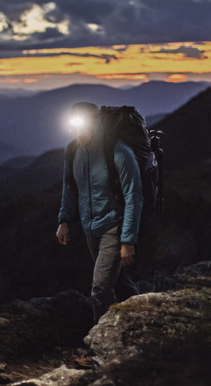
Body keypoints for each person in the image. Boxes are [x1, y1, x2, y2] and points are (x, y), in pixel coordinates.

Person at [57, 102, 142, 323]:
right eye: (73, 126)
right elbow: (69, 187)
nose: (78, 132)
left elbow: (134, 197)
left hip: (114, 227)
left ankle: (100, 344)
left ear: (96, 123)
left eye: (83, 125)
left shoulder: (119, 152)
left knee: (100, 289)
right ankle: (145, 319)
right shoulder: (72, 150)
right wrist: (64, 220)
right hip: (90, 229)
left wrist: (128, 240)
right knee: (121, 283)